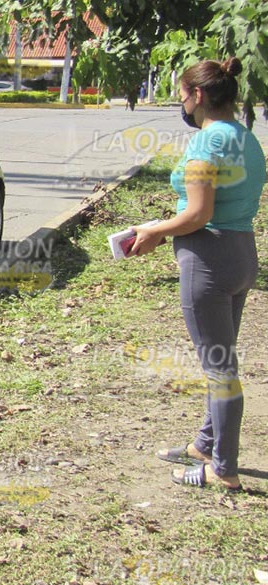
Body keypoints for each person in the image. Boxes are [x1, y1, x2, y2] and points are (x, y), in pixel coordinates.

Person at [129, 57, 267, 492]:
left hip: (208, 259)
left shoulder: (206, 145)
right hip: (242, 255)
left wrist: (150, 230)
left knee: (220, 369)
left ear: (199, 95)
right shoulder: (247, 138)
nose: (182, 104)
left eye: (182, 95)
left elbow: (198, 213)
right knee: (220, 360)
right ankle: (204, 445)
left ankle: (222, 469)